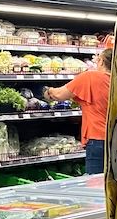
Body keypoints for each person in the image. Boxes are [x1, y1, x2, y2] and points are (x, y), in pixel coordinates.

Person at [44, 47, 111, 175]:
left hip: (98, 139)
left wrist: (48, 91)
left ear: (101, 61)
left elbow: (59, 94)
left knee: (95, 182)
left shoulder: (90, 77)